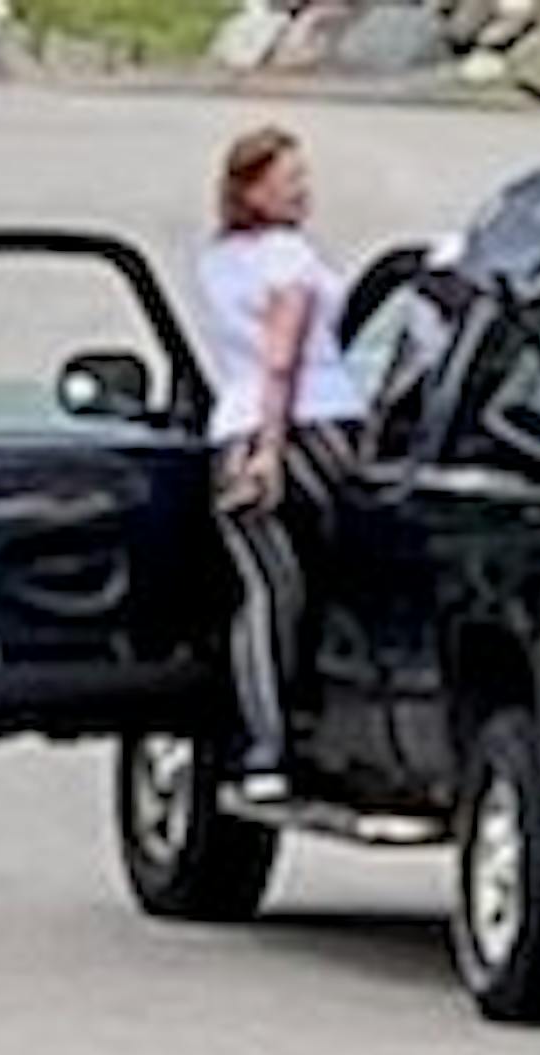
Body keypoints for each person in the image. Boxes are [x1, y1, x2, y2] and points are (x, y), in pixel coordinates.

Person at [197, 126, 366, 803]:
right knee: (353, 569)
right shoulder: (288, 259)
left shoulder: (218, 261)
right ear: (251, 190)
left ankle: (265, 741)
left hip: (233, 428)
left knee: (268, 591)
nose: (303, 190)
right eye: (289, 179)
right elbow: (281, 357)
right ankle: (300, 730)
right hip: (310, 428)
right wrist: (271, 451)